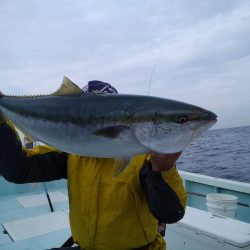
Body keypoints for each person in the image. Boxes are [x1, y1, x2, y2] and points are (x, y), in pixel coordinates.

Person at [0, 80, 187, 250]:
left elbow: (170, 213)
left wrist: (162, 170)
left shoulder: (147, 160)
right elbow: (19, 169)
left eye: (103, 115)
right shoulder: (72, 154)